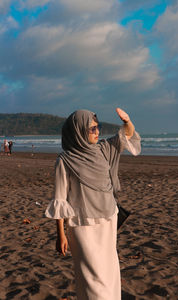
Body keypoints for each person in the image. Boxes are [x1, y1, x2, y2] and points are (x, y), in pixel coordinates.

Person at [45, 108, 141, 300]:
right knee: (93, 280)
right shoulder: (65, 161)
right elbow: (60, 199)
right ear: (79, 131)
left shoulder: (104, 149)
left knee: (109, 274)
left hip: (108, 220)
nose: (97, 132)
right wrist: (61, 235)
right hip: (82, 225)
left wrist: (127, 120)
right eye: (92, 129)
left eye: (98, 127)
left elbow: (127, 134)